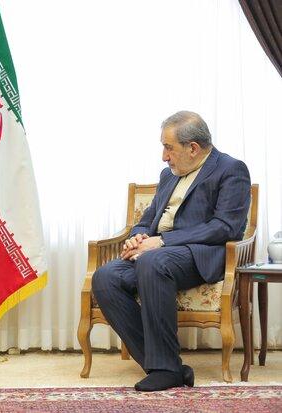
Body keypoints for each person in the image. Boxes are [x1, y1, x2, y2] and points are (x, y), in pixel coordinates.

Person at [92, 111, 251, 391]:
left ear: (193, 148)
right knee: (105, 277)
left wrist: (162, 241)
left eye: (168, 148)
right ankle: (169, 368)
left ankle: (165, 369)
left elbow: (226, 227)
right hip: (157, 254)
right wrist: (138, 236)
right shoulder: (168, 175)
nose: (164, 157)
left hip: (199, 254)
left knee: (153, 261)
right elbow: (148, 218)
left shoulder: (231, 169)